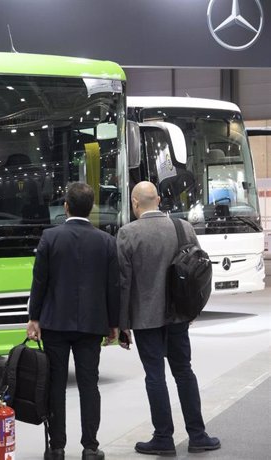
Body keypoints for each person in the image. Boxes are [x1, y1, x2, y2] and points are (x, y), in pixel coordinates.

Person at [116, 181, 220, 456]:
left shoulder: (127, 234)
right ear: (159, 200)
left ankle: (163, 438)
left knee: (155, 376)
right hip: (178, 316)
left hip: (144, 319)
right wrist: (193, 309)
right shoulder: (182, 227)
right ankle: (198, 435)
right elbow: (200, 268)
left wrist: (122, 325)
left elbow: (123, 283)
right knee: (184, 372)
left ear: (135, 204)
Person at [27, 182, 120, 460]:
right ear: (91, 208)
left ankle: (57, 447)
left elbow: (39, 281)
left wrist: (34, 318)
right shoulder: (106, 241)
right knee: (89, 385)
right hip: (92, 325)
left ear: (65, 206)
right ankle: (90, 447)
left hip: (55, 324)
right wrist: (113, 323)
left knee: (55, 385)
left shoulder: (50, 237)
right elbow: (112, 286)